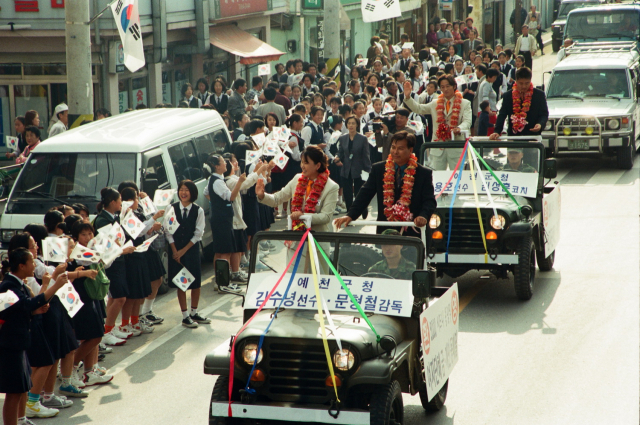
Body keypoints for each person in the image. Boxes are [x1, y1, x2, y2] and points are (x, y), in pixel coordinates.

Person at [0, 248, 69, 425]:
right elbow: (24, 305)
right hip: (11, 344)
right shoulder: (8, 285)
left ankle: (21, 419)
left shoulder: (19, 283)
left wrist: (34, 311)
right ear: (21, 265)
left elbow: (21, 309)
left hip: (20, 341)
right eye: (31, 262)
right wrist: (55, 286)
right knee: (14, 392)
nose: (34, 265)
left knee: (22, 388)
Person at [334, 132, 435, 239]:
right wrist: (351, 215)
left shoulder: (423, 173)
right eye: (393, 147)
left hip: (413, 232)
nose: (395, 152)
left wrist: (423, 216)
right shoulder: (379, 169)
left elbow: (429, 200)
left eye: (400, 148)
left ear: (410, 150)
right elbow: (365, 194)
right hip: (385, 231)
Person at [256, 145, 338, 234]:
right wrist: (262, 196)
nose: (302, 166)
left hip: (317, 243)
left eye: (306, 163)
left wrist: (303, 216)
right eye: (302, 162)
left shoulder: (331, 186)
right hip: (296, 241)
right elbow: (277, 199)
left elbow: (326, 217)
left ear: (318, 165)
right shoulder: (297, 178)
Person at [94, 188, 137, 345]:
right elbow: (107, 246)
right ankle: (106, 331)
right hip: (111, 262)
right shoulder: (102, 220)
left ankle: (110, 327)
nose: (121, 204)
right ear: (112, 202)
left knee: (115, 297)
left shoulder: (113, 217)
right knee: (119, 298)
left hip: (118, 261)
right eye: (119, 201)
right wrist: (123, 250)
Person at [165, 180, 210, 328]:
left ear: (192, 193)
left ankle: (194, 312)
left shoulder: (199, 211)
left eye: (186, 190)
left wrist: (183, 251)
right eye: (181, 190)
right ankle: (185, 316)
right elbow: (168, 231)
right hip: (175, 251)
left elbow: (198, 234)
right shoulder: (171, 208)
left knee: (196, 283)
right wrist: (175, 251)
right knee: (181, 283)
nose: (183, 193)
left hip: (191, 251)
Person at [402, 76, 472, 170]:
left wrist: (459, 128)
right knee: (435, 178)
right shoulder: (435, 103)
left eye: (448, 86)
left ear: (454, 86)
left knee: (458, 178)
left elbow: (467, 121)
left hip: (456, 146)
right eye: (442, 87)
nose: (445, 89)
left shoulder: (465, 103)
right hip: (437, 147)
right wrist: (407, 97)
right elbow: (418, 108)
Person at [491, 67, 549, 139]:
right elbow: (502, 115)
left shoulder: (539, 95)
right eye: (521, 83)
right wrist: (497, 131)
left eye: (527, 83)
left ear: (530, 81)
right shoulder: (508, 96)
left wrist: (540, 124)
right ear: (516, 81)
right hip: (514, 138)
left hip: (533, 138)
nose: (524, 86)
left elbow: (544, 114)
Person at [334, 116, 372, 214]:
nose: (351, 125)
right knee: (347, 193)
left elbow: (366, 155)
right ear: (346, 125)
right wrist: (337, 157)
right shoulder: (343, 138)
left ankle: (363, 208)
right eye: (349, 123)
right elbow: (340, 152)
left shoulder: (362, 138)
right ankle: (350, 213)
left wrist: (368, 170)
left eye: (353, 123)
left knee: (359, 191)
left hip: (359, 168)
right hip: (346, 168)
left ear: (357, 125)